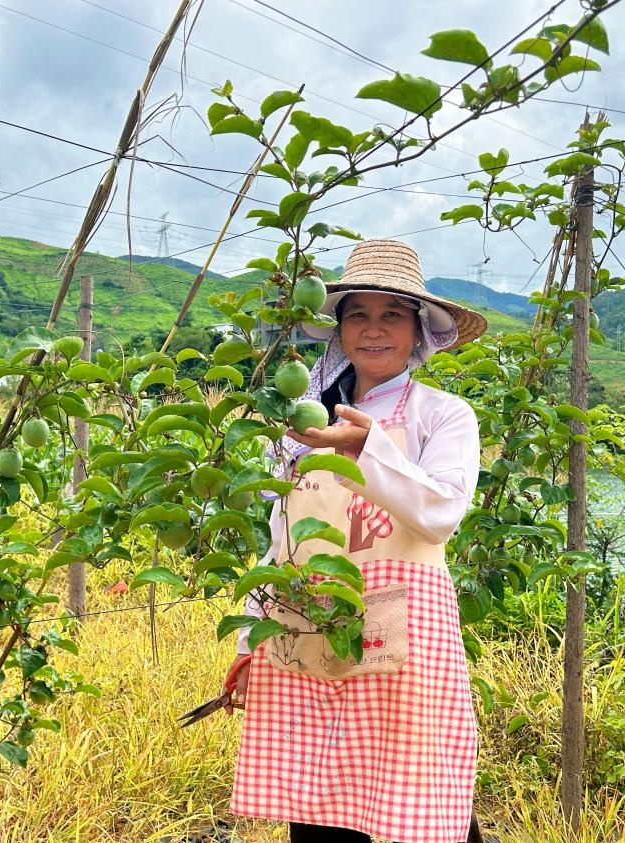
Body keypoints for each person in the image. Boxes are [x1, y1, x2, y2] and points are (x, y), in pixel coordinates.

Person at [227, 239, 488, 843]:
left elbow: (441, 513)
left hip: (404, 628)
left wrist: (365, 447)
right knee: (318, 804)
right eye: (358, 315)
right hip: (306, 618)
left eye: (392, 314)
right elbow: (282, 536)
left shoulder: (442, 414)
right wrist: (250, 638)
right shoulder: (304, 422)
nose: (374, 330)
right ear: (339, 330)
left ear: (418, 330)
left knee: (417, 802)